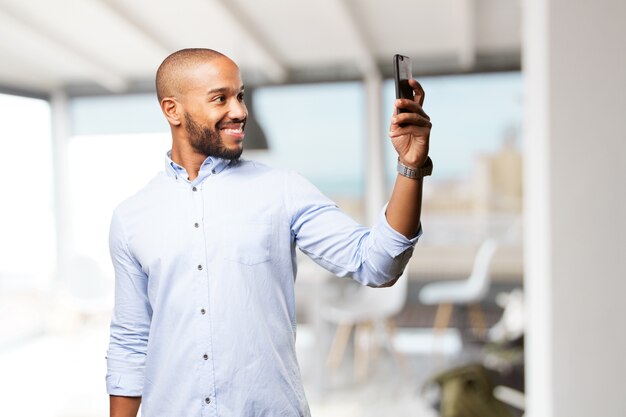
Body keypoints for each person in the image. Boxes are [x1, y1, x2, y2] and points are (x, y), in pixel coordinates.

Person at [106, 48, 432, 417]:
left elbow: (377, 264)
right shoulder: (132, 217)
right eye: (220, 98)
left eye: (240, 96)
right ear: (172, 110)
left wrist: (410, 168)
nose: (240, 111)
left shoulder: (283, 190)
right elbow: (130, 343)